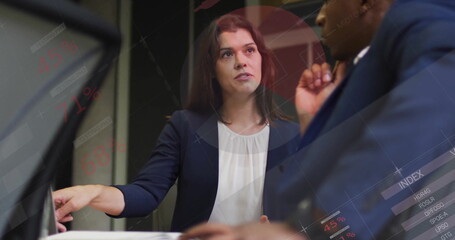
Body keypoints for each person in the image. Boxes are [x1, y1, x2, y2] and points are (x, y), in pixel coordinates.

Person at [180, 0, 455, 239]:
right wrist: (314, 123)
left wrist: (301, 231)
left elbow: (436, 98)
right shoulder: (367, 71)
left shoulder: (416, 15)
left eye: (328, 1)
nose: (321, 17)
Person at [52, 14, 302, 232]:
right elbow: (146, 194)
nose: (241, 61)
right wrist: (91, 192)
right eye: (226, 54)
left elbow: (319, 210)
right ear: (212, 69)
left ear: (262, 59)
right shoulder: (185, 126)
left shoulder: (292, 135)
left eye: (249, 50)